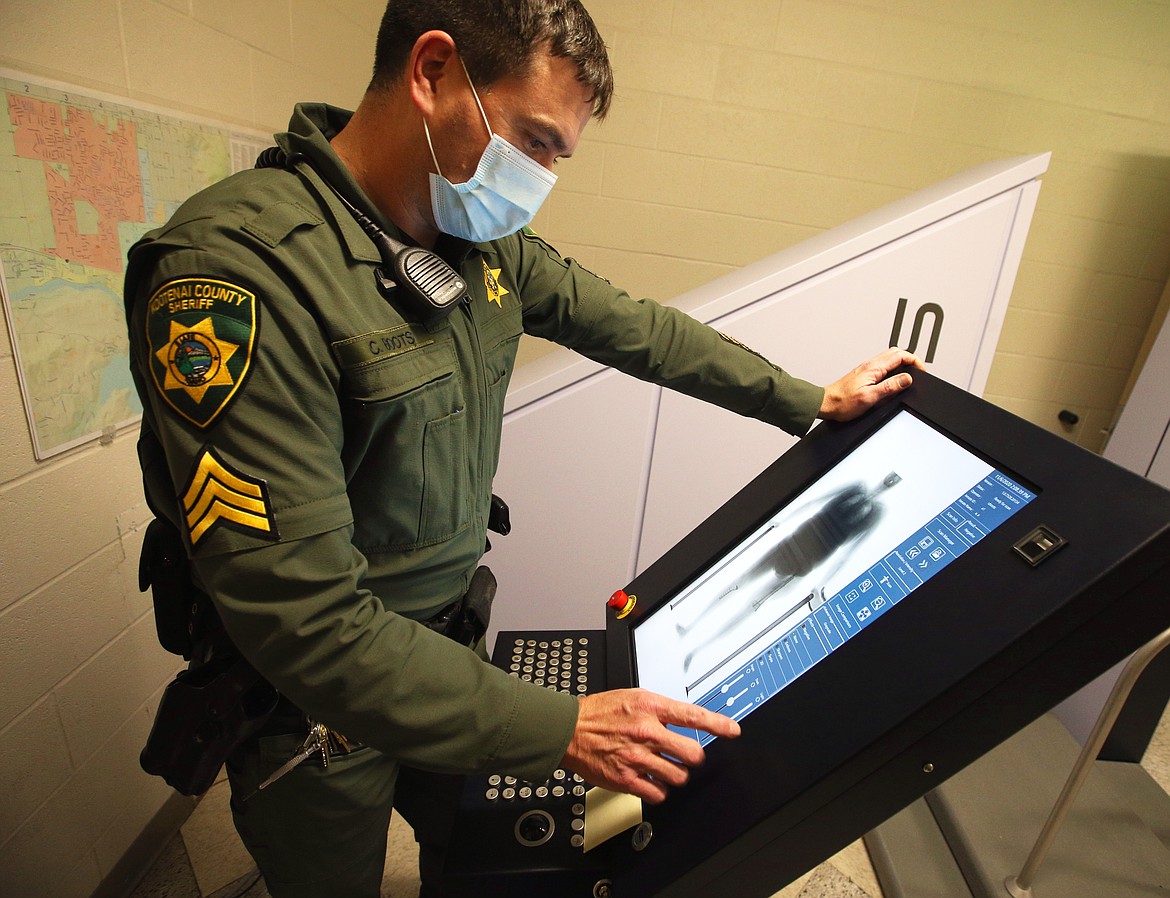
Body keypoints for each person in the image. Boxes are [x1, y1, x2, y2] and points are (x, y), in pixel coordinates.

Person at [123, 1, 922, 895]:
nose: (538, 178)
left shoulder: (477, 242)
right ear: (431, 74)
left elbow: (639, 330)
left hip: (449, 653)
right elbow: (304, 622)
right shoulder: (239, 276)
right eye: (534, 142)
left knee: (481, 859)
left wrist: (808, 399)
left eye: (556, 156)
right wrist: (564, 727)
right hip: (314, 711)